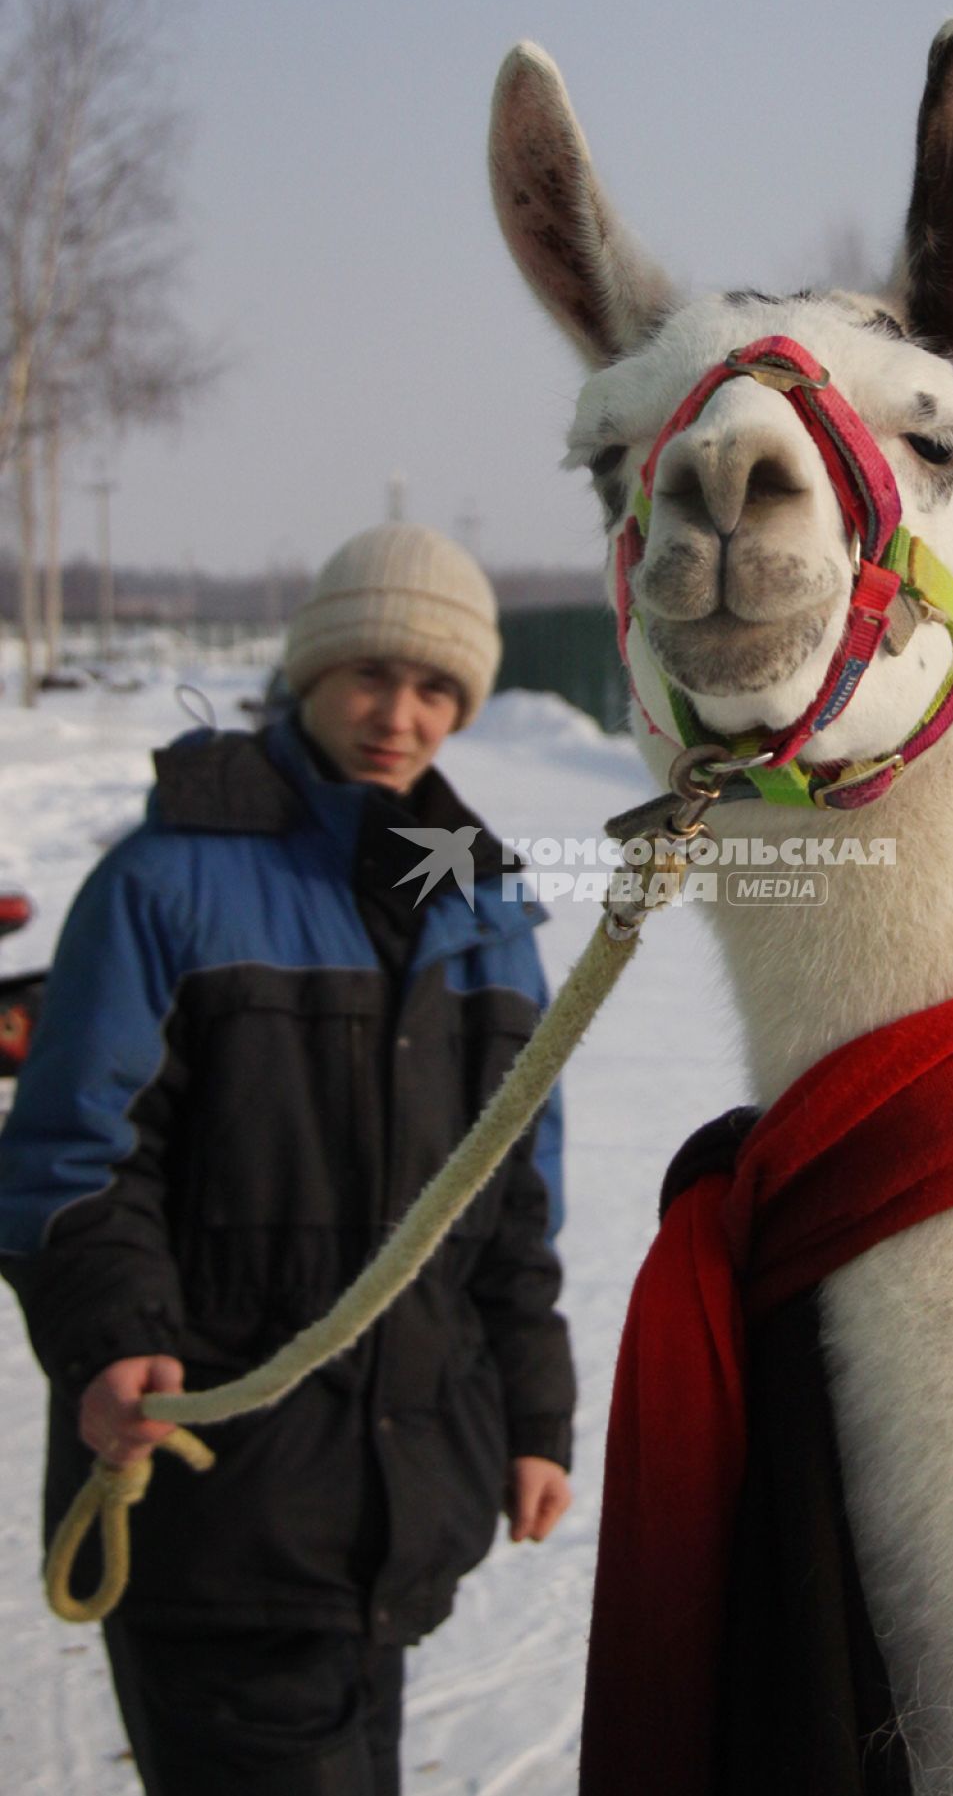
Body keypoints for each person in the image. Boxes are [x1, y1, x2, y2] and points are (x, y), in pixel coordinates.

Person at [0, 523, 575, 1796]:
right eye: (371, 673)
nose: (399, 715)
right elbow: (71, 1159)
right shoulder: (166, 880)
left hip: (397, 1505)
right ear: (310, 670)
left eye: (436, 688)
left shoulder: (485, 907)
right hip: (215, 1503)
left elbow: (513, 1199)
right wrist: (108, 1339)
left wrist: (533, 1417)